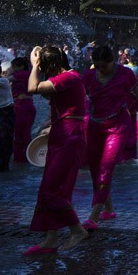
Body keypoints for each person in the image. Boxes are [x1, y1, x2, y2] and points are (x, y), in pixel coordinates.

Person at [82, 45, 138, 228]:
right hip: (95, 126)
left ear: (112, 61)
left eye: (103, 66)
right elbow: (78, 98)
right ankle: (109, 210)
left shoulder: (125, 74)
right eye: (96, 66)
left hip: (117, 127)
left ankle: (93, 216)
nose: (100, 70)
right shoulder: (89, 76)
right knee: (95, 170)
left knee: (106, 168)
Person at [23, 45, 89, 254]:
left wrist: (34, 65)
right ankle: (51, 238)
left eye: (43, 65)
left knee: (53, 190)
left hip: (70, 137)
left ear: (49, 64)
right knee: (47, 189)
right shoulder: (65, 79)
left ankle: (77, 230)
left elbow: (32, 88)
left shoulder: (68, 78)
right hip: (62, 134)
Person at [10, 56, 36, 164]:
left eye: (15, 67)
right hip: (23, 106)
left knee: (22, 135)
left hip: (23, 106)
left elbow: (5, 79)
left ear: (21, 66)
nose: (14, 69)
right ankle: (23, 158)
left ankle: (22, 159)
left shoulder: (24, 74)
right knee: (22, 134)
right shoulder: (25, 74)